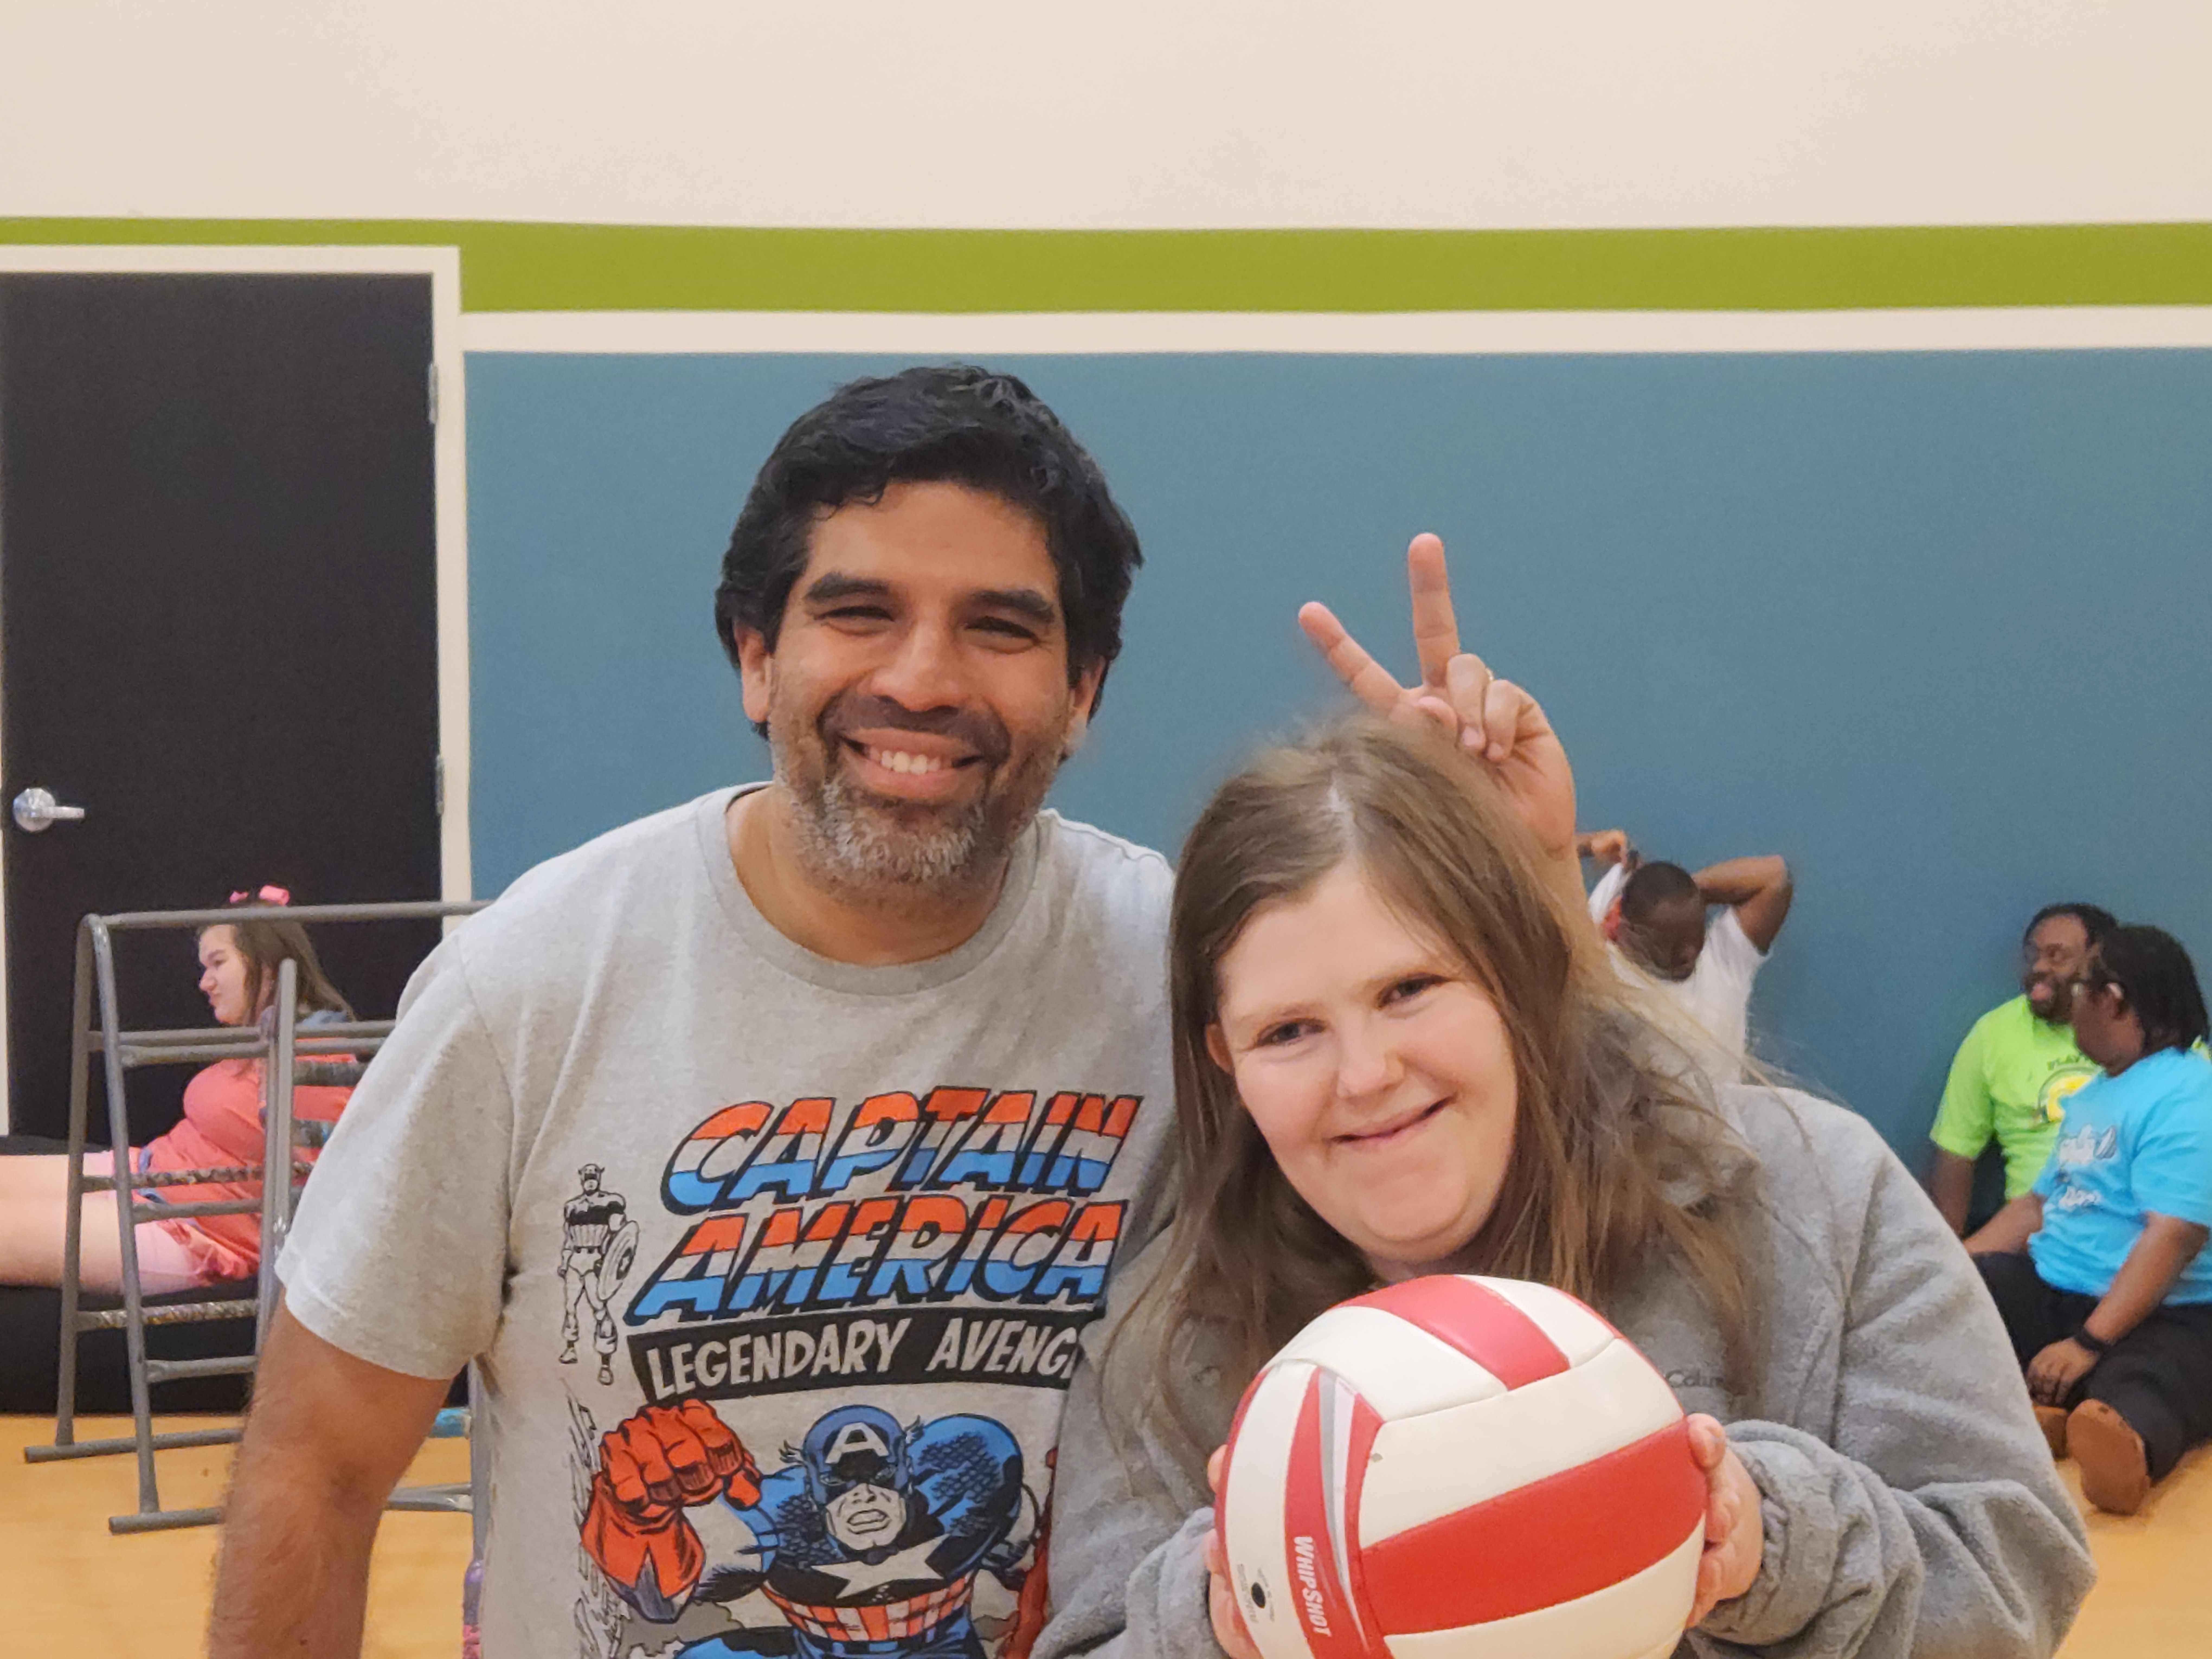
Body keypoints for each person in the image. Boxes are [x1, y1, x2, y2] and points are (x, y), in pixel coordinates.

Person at [209, 366, 1196, 1659]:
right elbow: (316, 1465)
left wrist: (1461, 879)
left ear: (1082, 692)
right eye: (859, 611)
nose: (921, 678)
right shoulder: (527, 989)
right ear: (756, 657)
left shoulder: (1186, 979)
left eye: (1000, 628)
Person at [1040, 648, 2089, 1654]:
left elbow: (2013, 1571)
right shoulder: (1160, 1345)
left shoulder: (1815, 1196)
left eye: (1409, 989)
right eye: (1287, 1032)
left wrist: (1762, 1542)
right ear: (1225, 1059)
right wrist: (1231, 1611)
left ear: (1511, 975)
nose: (1364, 1074)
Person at [1967, 925, 2212, 1516]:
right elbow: (2036, 1206)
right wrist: (1952, 1268)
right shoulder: (2096, 1094)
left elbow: (2174, 1235)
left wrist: (2089, 1341)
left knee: (2153, 1378)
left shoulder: (2189, 1092)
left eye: (2080, 987)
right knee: (1976, 1296)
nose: (2069, 1002)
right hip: (2060, 1291)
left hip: (2159, 1314)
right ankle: (2052, 1409)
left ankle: (2124, 1444)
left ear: (2114, 999)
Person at [0, 886, 354, 1294]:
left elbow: (318, 1193)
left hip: (190, 1230)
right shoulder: (263, 1040)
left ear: (268, 964)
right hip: (146, 1171)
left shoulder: (315, 1055)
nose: (205, 982)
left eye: (218, 963)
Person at [1927, 904, 2115, 1236]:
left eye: (2057, 956)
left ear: (2099, 962)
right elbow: (1955, 1152)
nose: (2039, 967)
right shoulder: (1994, 1034)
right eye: (2033, 956)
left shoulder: (2144, 1034)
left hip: (2124, 1229)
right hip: (2028, 1235)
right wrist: (1950, 1257)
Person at [1581, 831, 1791, 1065]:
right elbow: (1775, 875)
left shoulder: (1721, 960)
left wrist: (1677, 900)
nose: (1689, 953)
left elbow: (1775, 876)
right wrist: (1683, 902)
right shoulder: (1722, 967)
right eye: (1673, 941)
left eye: (1694, 934)